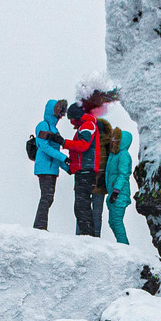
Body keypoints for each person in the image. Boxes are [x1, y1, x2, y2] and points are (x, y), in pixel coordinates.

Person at [30, 100, 73, 229]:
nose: (60, 116)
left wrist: (68, 167)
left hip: (51, 168)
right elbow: (44, 147)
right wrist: (64, 158)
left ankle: (40, 226)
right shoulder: (43, 125)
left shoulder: (54, 129)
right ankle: (39, 227)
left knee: (48, 198)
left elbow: (55, 152)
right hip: (45, 168)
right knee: (47, 197)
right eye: (58, 112)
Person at [66, 96, 106, 237]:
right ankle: (86, 234)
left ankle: (87, 235)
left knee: (82, 205)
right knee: (80, 205)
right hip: (83, 169)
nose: (71, 123)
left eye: (71, 118)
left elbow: (83, 145)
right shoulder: (84, 125)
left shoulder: (87, 125)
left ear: (76, 116)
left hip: (86, 169)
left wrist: (63, 142)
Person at [101, 119, 135, 244]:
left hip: (120, 193)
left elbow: (123, 174)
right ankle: (123, 245)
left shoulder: (123, 155)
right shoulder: (113, 155)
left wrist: (116, 191)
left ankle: (124, 246)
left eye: (116, 139)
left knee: (116, 221)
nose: (113, 141)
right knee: (113, 222)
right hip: (113, 193)